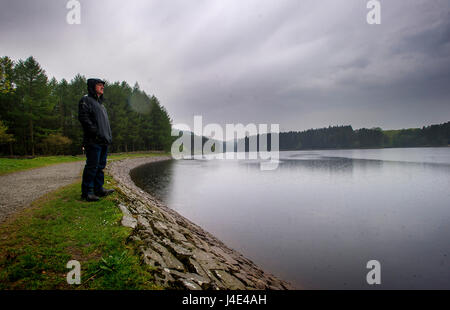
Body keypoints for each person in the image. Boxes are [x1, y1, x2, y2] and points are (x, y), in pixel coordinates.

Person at [78, 78, 115, 201]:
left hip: (103, 141)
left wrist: (108, 137)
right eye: (99, 85)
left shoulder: (101, 105)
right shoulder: (86, 100)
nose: (102, 87)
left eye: (102, 85)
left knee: (100, 166)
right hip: (93, 140)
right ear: (92, 87)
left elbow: (105, 124)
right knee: (92, 166)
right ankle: (87, 193)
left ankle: (98, 189)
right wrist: (95, 132)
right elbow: (83, 118)